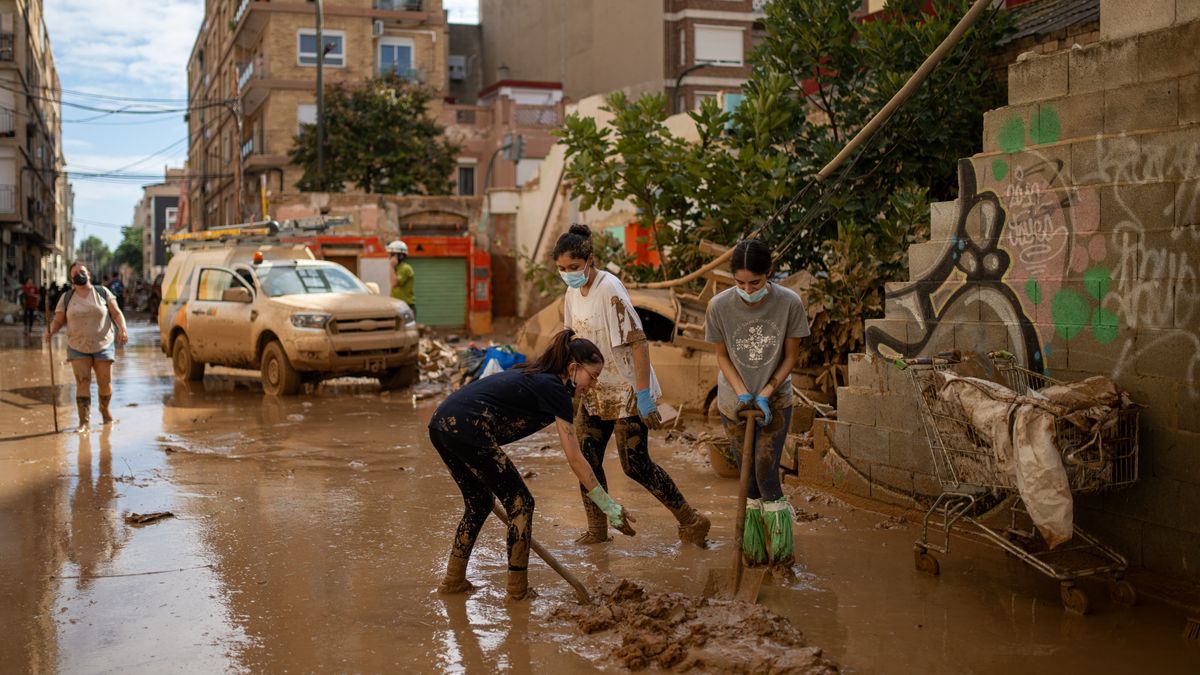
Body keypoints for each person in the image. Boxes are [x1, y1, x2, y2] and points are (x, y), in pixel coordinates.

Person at [428, 329, 635, 600]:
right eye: (592, 376)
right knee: (522, 503)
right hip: (467, 427)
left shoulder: (538, 377)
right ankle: (517, 591)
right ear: (573, 368)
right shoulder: (554, 389)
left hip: (441, 424)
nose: (592, 385)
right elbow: (575, 458)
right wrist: (607, 505)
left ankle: (453, 580)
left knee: (479, 503)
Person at [552, 224, 710, 547]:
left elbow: (639, 342)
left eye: (573, 267)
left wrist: (643, 395)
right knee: (586, 459)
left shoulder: (610, 290)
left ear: (589, 260)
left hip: (626, 390)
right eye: (562, 269)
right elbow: (569, 338)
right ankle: (597, 530)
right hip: (593, 390)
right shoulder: (571, 293)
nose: (568, 274)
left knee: (635, 465)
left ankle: (690, 519)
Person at [704, 239, 810, 571]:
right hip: (733, 401)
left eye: (755, 282)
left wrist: (765, 392)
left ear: (770, 275)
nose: (747, 290)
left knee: (766, 472)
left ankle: (781, 555)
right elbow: (721, 356)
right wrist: (743, 393)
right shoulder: (718, 306)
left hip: (776, 399)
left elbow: (791, 356)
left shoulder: (789, 303)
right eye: (740, 283)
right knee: (746, 477)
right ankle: (753, 551)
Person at [45, 261, 129, 429]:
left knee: (105, 383)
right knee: (82, 382)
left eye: (81, 271)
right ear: (71, 277)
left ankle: (104, 410)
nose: (78, 274)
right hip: (78, 346)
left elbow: (116, 313)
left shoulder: (102, 292)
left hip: (103, 344)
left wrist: (123, 329)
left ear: (89, 274)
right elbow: (59, 320)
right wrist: (50, 331)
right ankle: (84, 422)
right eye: (74, 272)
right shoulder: (66, 297)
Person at [387, 240, 415, 315]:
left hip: (405, 306)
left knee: (405, 327)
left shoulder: (405, 268)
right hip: (396, 305)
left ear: (398, 256)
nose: (388, 257)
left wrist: (391, 266)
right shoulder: (396, 268)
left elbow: (394, 283)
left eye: (390, 254)